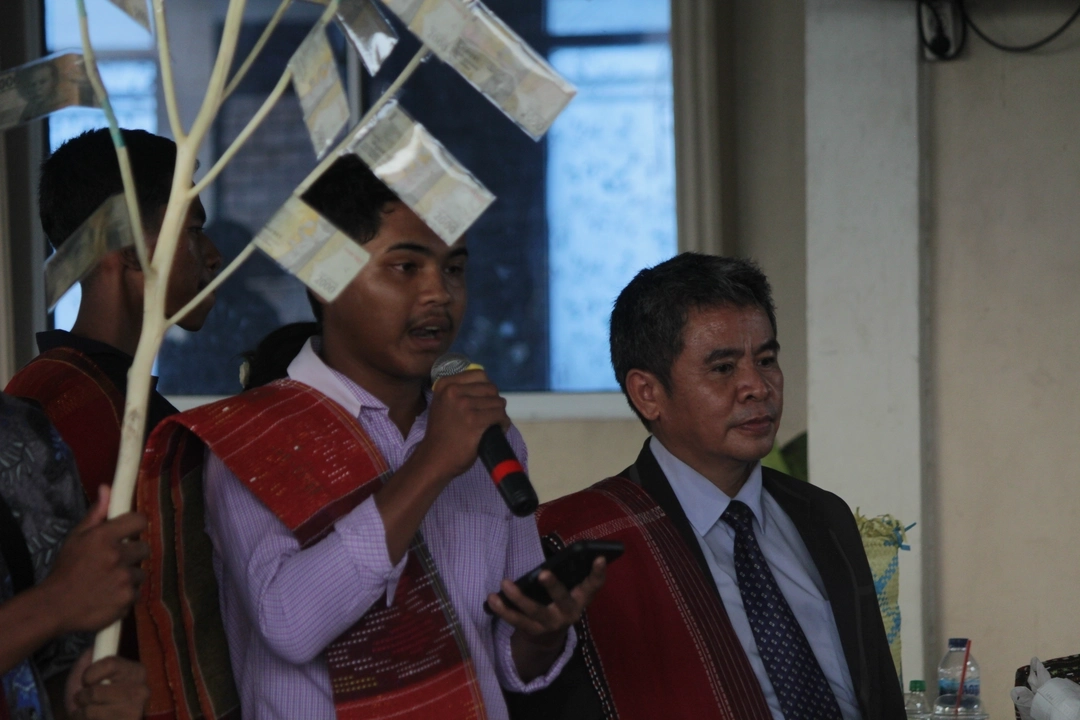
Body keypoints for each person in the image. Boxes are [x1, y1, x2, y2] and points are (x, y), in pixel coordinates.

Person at [137, 154, 606, 719]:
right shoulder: (251, 436)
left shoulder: (484, 433)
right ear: (323, 279)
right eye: (406, 267)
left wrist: (543, 633)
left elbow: (507, 662)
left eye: (454, 269)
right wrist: (430, 465)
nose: (439, 294)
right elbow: (289, 623)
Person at [530, 254, 905, 720]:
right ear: (648, 393)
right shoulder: (581, 541)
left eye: (766, 360)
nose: (757, 387)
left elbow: (879, 694)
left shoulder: (822, 515)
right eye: (724, 368)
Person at [5, 127, 222, 501]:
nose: (214, 255)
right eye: (194, 229)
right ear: (129, 246)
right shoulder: (67, 410)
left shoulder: (92, 392)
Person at [0, 392, 150, 720]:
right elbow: (63, 601)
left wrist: (84, 699)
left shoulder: (24, 434)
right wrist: (56, 601)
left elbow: (45, 671)